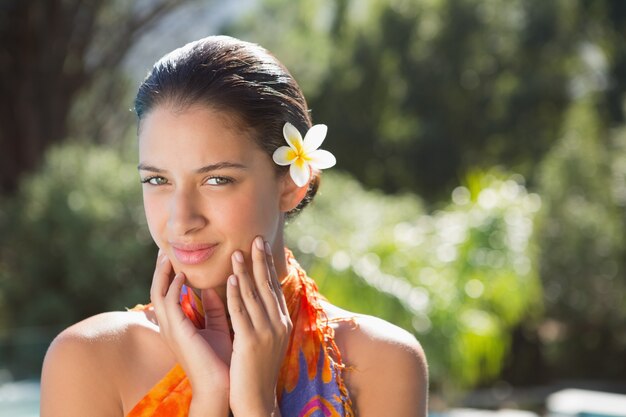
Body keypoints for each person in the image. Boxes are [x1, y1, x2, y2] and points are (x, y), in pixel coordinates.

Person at [40, 35, 428, 417]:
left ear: (292, 185)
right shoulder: (90, 358)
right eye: (158, 180)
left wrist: (257, 406)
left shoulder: (381, 362)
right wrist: (210, 396)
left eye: (217, 179)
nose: (181, 219)